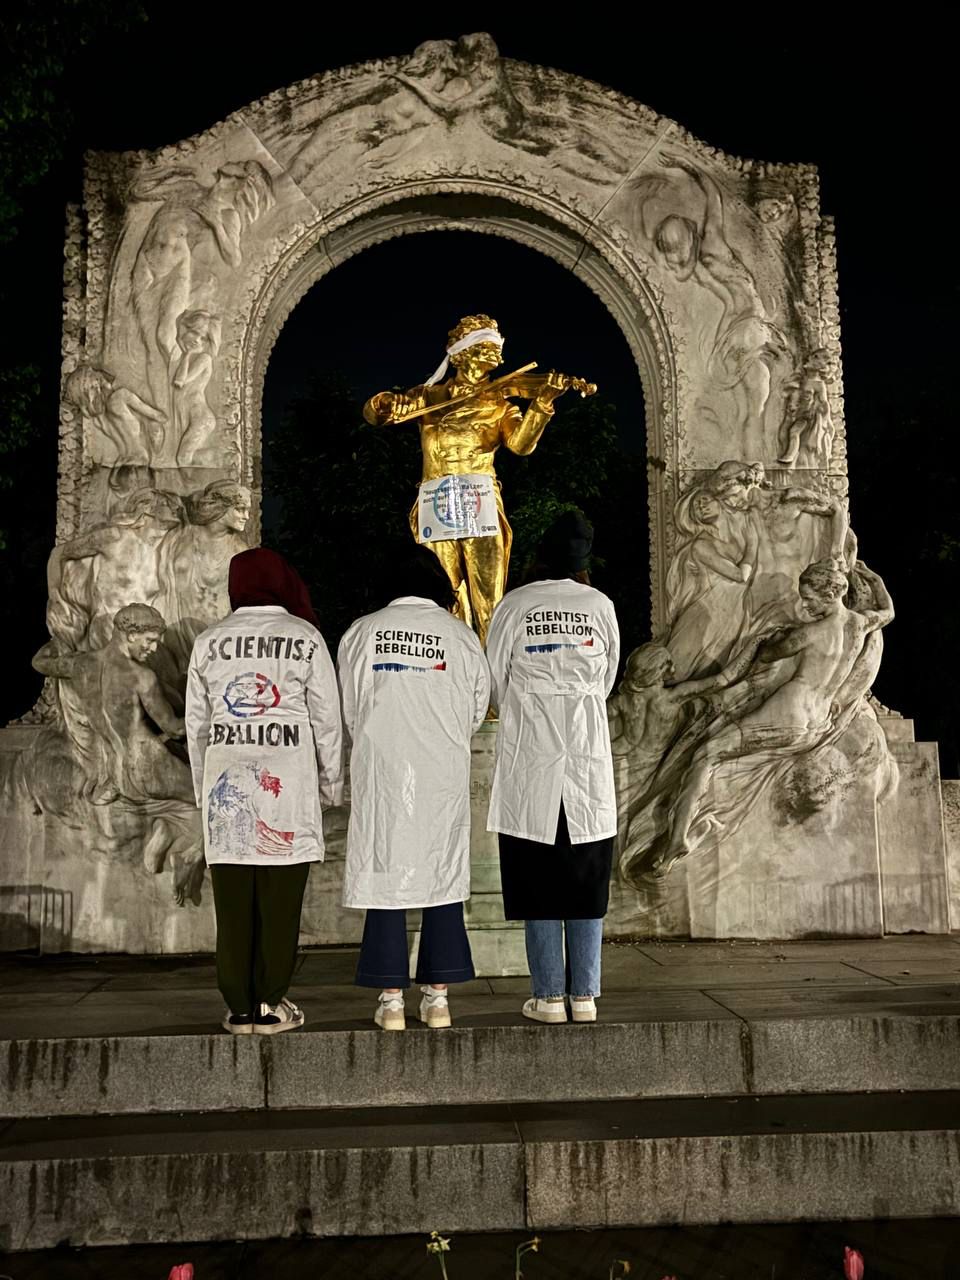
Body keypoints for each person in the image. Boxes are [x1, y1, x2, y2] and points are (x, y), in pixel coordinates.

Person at [185, 548, 343, 1035]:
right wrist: (333, 784)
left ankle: (238, 1007)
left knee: (233, 907)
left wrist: (201, 790)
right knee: (279, 902)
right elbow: (327, 722)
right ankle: (272, 1004)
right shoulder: (305, 638)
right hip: (287, 789)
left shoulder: (209, 642)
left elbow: (196, 725)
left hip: (226, 785)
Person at [337, 547, 490, 1031]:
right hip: (439, 769)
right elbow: (477, 706)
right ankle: (438, 997)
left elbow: (349, 707)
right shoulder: (461, 637)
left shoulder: (362, 634)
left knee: (385, 875)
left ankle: (389, 1000)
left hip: (383, 769)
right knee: (441, 874)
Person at [485, 511, 620, 1024]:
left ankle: (546, 997)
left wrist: (528, 701)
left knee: (536, 874)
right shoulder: (600, 605)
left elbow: (495, 678)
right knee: (586, 874)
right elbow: (607, 677)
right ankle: (584, 995)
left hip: (531, 756)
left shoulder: (516, 605)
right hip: (586, 755)